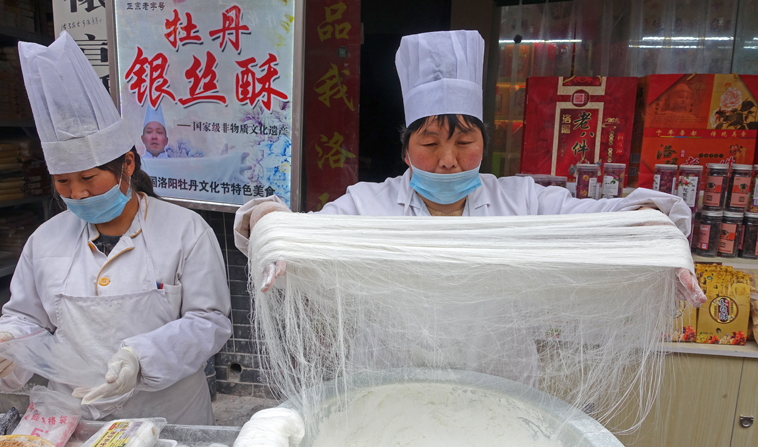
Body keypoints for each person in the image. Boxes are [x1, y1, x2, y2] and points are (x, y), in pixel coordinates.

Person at [235, 30, 706, 305]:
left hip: (501, 375)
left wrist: (652, 225)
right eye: (430, 143)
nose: (447, 159)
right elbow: (298, 231)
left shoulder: (522, 201)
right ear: (406, 152)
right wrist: (268, 221)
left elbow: (604, 217)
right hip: (391, 378)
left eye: (464, 142)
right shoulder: (367, 204)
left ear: (485, 143)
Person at [0, 32, 232, 425]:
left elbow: (208, 322)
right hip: (72, 419)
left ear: (127, 164)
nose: (76, 193)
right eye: (62, 182)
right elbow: (26, 318)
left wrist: (138, 360)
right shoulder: (45, 241)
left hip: (167, 416)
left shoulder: (186, 231)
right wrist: (6, 344)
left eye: (89, 178)